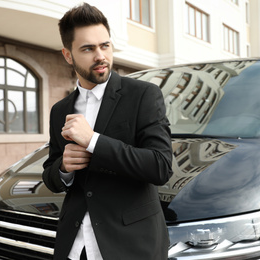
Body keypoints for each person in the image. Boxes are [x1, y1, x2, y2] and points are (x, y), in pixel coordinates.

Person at [42, 3, 173, 260]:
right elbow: (50, 175)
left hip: (130, 246)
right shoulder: (60, 110)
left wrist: (93, 141)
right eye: (88, 49)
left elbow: (160, 167)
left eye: (105, 45)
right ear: (68, 55)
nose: (100, 55)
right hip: (75, 246)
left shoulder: (143, 95)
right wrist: (63, 169)